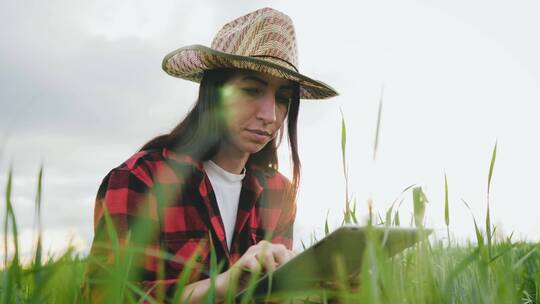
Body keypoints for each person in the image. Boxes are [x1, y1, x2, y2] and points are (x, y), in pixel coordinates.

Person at [85, 7, 338, 303]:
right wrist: (227, 283)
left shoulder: (279, 192)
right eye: (251, 90)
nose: (270, 115)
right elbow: (107, 296)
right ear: (214, 93)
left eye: (282, 99)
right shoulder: (140, 179)